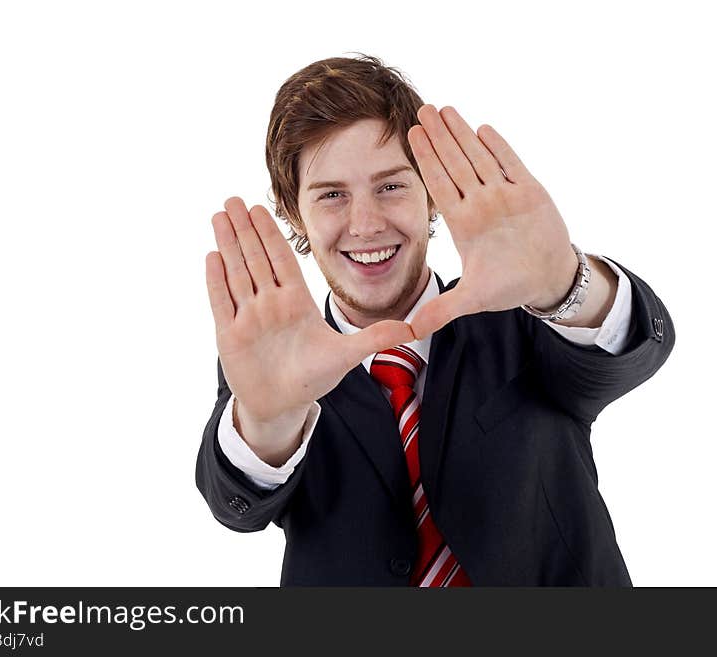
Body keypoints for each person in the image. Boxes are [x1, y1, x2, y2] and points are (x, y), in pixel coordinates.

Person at [195, 54, 674, 586]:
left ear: (431, 193)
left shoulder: (525, 317)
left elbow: (634, 350)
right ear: (292, 210)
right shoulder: (277, 361)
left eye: (391, 186)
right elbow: (237, 504)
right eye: (332, 195)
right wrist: (270, 422)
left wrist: (564, 282)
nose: (366, 224)